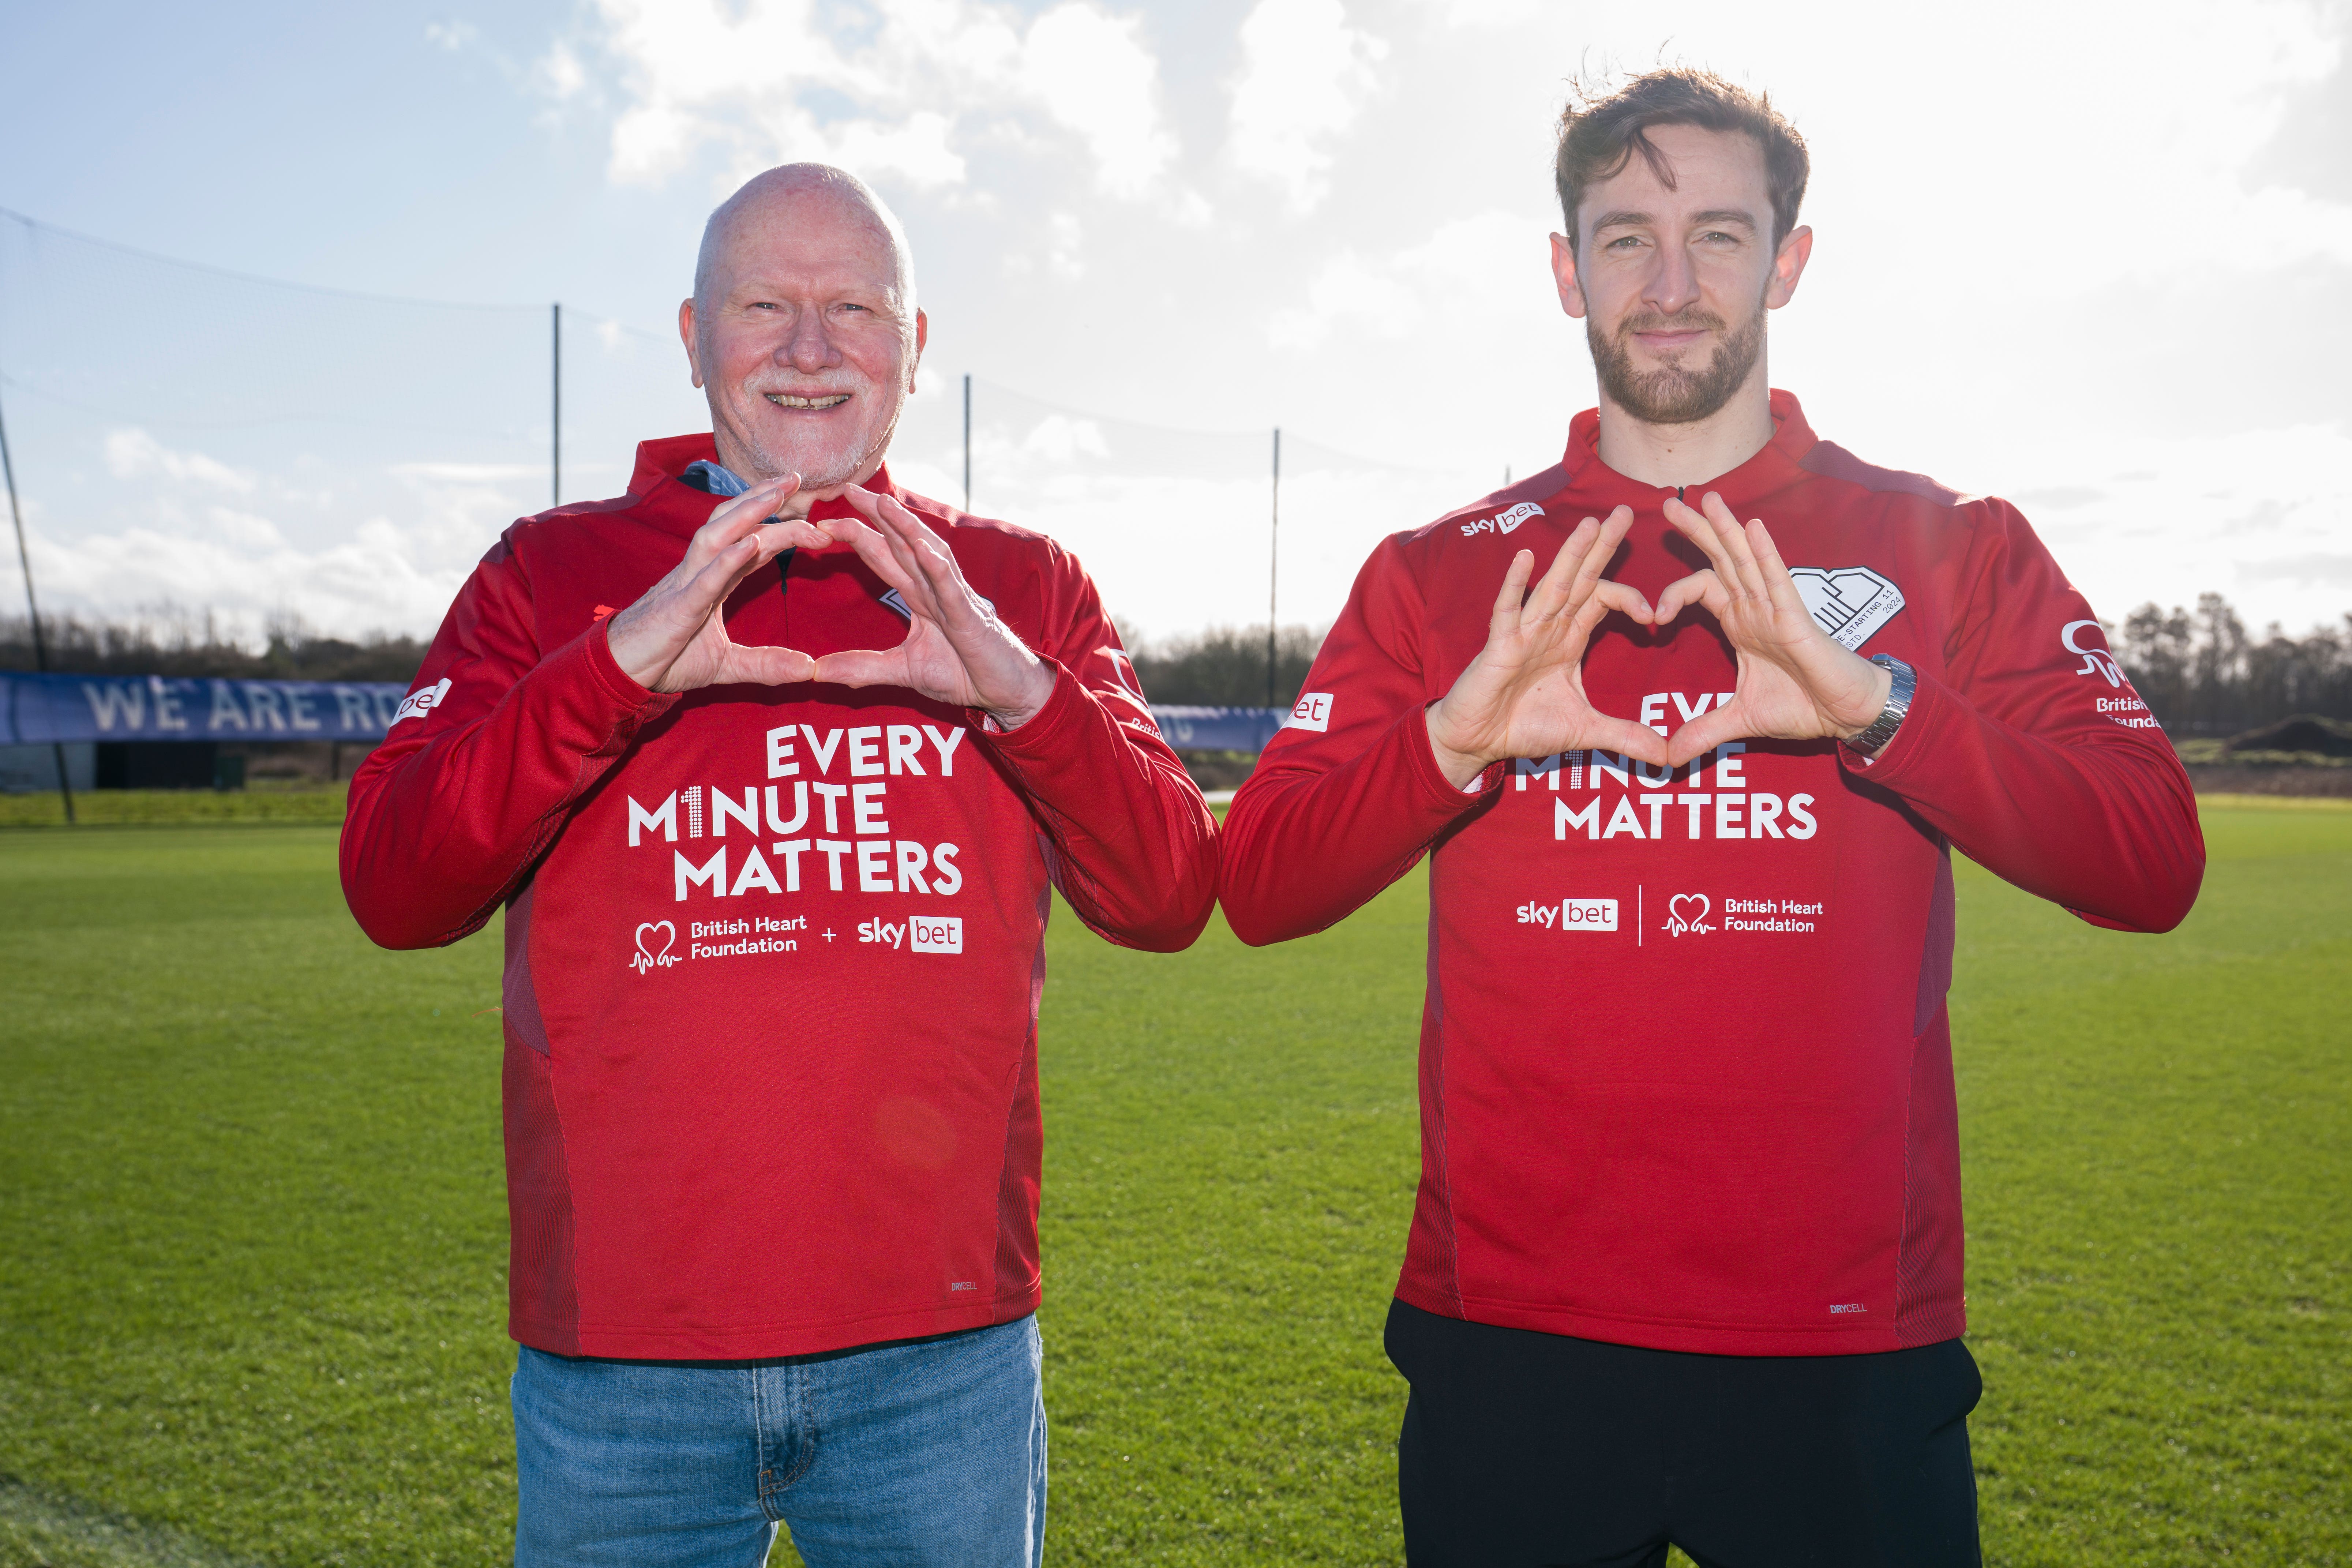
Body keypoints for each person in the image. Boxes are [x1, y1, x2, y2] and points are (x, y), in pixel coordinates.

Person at [1219, 69, 2203, 1568]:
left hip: (1845, 1351)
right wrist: (1457, 738)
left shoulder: (1950, 549)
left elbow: (2152, 857)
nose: (1671, 286)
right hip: (1513, 1342)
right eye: (1624, 239)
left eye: (1719, 236)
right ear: (1565, 270)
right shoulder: (1435, 575)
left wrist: (1878, 710)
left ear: (1788, 261)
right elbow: (1264, 884)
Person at [341, 163, 1217, 1568]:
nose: (810, 350)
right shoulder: (546, 574)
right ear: (693, 338)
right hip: (624, 1366)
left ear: (915, 349)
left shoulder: (1022, 583)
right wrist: (613, 672)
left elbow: (1171, 894)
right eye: (763, 307)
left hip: (946, 1363)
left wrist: (1018, 693)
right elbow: (394, 887)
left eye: (854, 309)